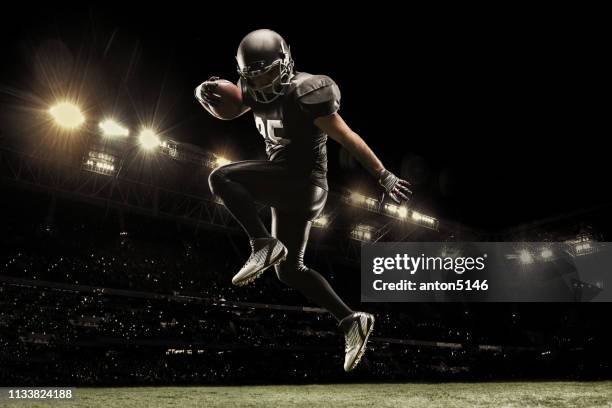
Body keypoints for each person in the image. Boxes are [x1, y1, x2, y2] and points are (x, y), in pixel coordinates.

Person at [195, 29, 411, 372]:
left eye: (268, 71)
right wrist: (204, 91)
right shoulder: (252, 90)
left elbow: (348, 137)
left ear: (285, 62)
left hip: (303, 181)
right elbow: (231, 108)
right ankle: (351, 319)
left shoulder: (305, 91)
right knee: (289, 271)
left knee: (221, 177)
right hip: (288, 187)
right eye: (254, 75)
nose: (263, 81)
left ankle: (261, 242)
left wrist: (383, 175)